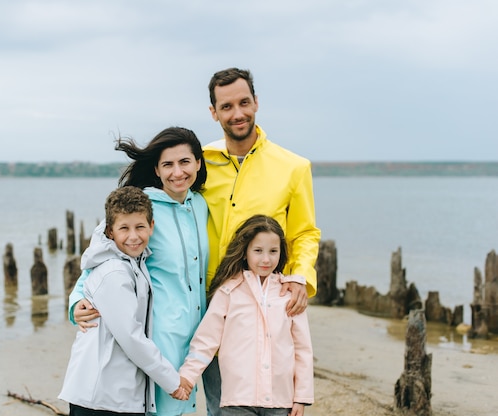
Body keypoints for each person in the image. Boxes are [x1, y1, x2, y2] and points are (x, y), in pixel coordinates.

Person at [200, 68, 321, 416]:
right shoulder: (198, 164)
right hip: (206, 302)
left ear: (256, 103)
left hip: (264, 311)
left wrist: (300, 277)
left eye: (244, 102)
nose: (237, 113)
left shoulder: (294, 167)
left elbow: (305, 233)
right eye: (226, 106)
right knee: (218, 405)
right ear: (214, 112)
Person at [69, 127, 210, 415]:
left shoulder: (202, 205)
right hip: (156, 339)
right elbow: (98, 258)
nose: (177, 172)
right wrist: (75, 302)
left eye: (184, 162)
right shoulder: (140, 208)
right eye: (168, 165)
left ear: (198, 163)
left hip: (196, 338)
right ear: (156, 170)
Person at [58, 186, 192, 416]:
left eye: (140, 227)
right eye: (124, 228)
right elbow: (132, 338)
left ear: (152, 226)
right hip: (101, 399)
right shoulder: (114, 273)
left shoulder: (134, 263)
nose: (133, 236)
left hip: (114, 396)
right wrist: (171, 381)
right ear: (109, 232)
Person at [177, 215, 314, 416]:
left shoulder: (289, 295)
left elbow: (303, 351)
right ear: (245, 252)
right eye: (258, 251)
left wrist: (301, 398)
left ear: (281, 253)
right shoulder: (228, 292)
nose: (266, 259)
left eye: (273, 251)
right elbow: (207, 339)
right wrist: (188, 375)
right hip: (237, 399)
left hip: (280, 400)